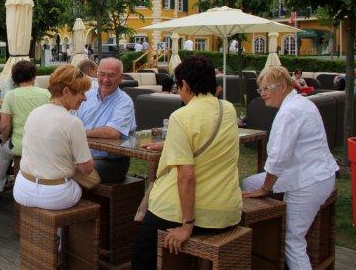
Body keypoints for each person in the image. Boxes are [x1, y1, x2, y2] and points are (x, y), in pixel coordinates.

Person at [132, 56, 242, 268]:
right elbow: (205, 141)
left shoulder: (181, 116)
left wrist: (187, 224)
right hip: (226, 210)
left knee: (142, 253)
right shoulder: (227, 109)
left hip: (187, 212)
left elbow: (187, 177)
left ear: (185, 85)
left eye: (178, 86)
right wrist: (169, 144)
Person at [241, 66, 338, 270]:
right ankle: (266, 241)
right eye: (260, 89)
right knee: (248, 184)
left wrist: (265, 189)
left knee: (293, 241)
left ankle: (269, 244)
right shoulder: (300, 102)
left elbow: (278, 158)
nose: (262, 93)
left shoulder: (290, 112)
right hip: (314, 172)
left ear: (283, 86)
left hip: (310, 181)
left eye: (266, 88)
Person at [13, 65, 94, 210]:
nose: (85, 98)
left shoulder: (34, 113)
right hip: (55, 196)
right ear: (66, 92)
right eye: (81, 93)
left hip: (22, 189)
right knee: (89, 185)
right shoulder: (73, 122)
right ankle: (70, 227)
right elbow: (87, 169)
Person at [0, 61, 50, 195]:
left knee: (2, 152)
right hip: (43, 144)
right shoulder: (46, 93)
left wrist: (4, 140)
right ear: (34, 75)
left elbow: (4, 126)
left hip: (19, 145)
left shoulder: (11, 95)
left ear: (14, 77)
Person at [77, 58, 136, 183]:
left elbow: (113, 132)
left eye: (111, 75)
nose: (105, 80)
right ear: (96, 74)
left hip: (111, 162)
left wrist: (80, 132)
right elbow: (72, 123)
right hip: (83, 156)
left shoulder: (125, 102)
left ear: (121, 78)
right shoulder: (87, 97)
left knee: (74, 171)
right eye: (102, 74)